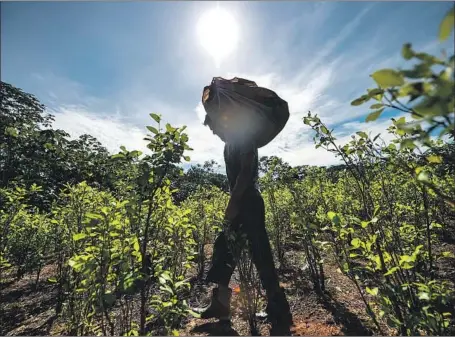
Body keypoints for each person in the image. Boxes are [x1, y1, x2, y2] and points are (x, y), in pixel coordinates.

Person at [194, 113, 293, 334]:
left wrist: (234, 203)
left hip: (249, 203)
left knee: (260, 253)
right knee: (224, 247)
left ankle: (278, 309)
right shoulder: (229, 144)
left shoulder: (244, 137)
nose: (215, 132)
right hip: (241, 202)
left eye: (214, 127)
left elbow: (246, 173)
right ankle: (221, 305)